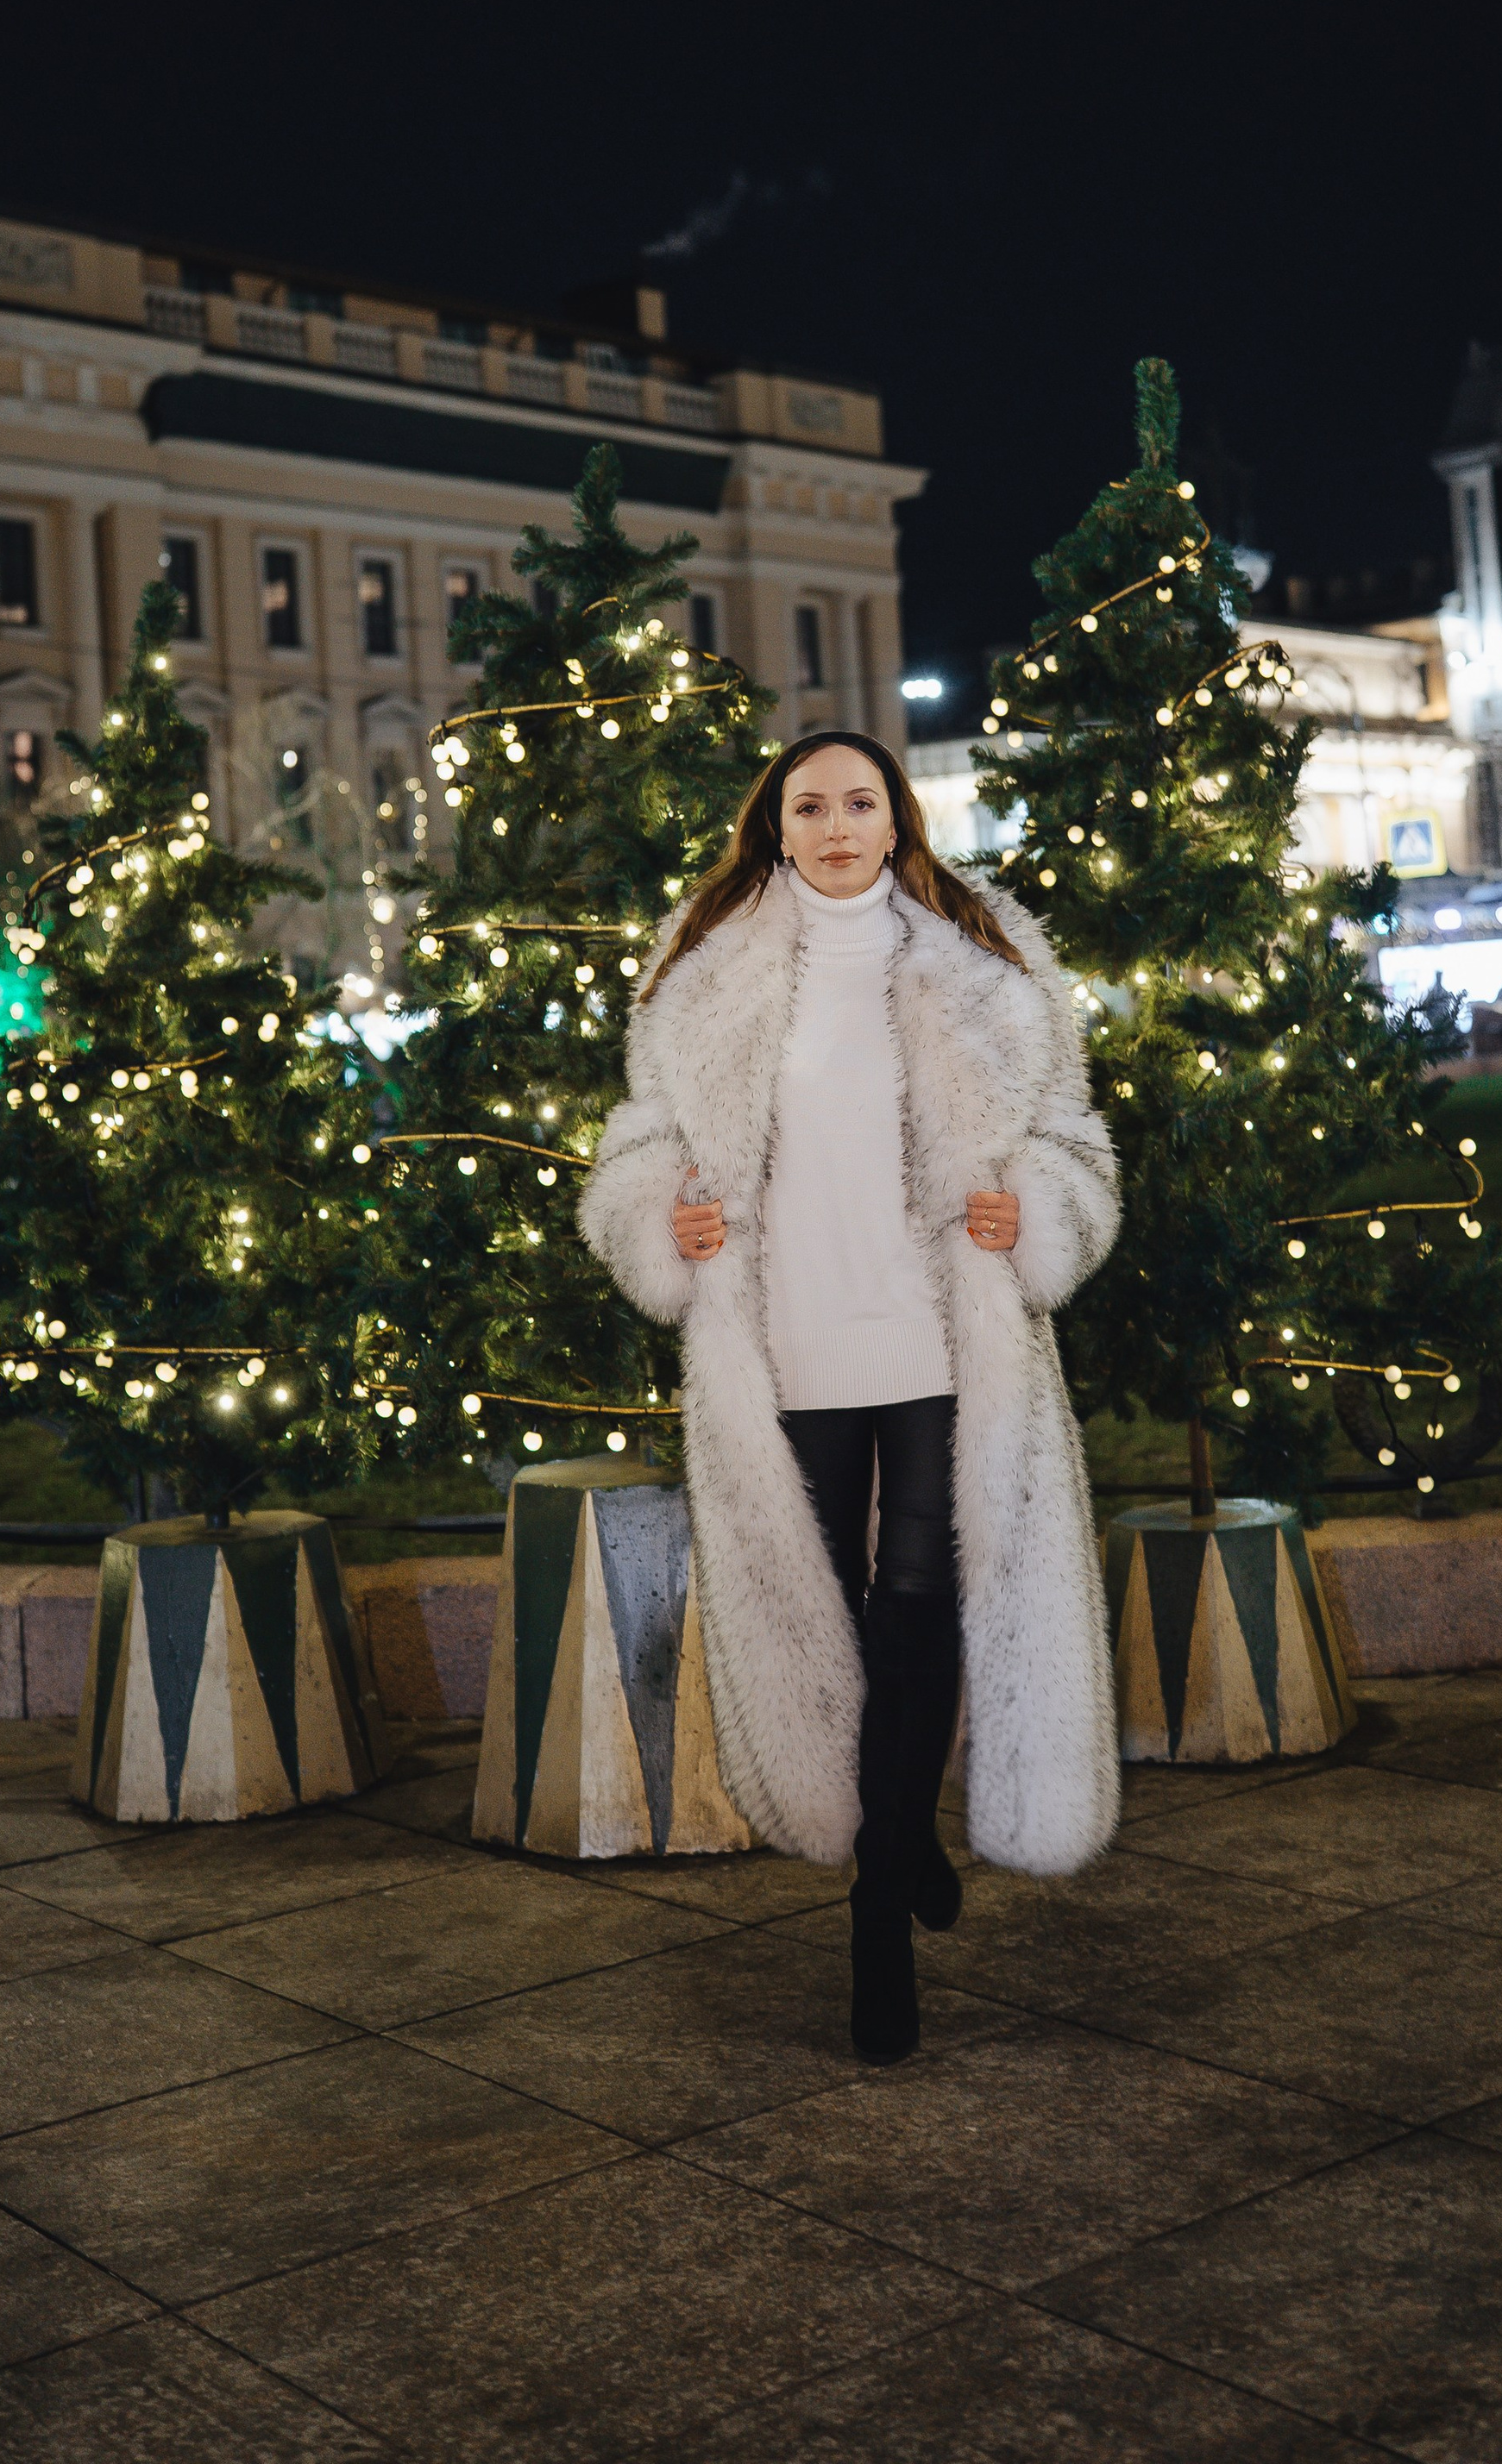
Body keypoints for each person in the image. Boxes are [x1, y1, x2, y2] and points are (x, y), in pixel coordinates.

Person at [581, 730, 1119, 2060]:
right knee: (824, 1609)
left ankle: (881, 1911)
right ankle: (904, 1833)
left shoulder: (986, 960)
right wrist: (664, 1216)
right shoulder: (700, 975)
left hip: (944, 1343)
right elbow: (640, 1144)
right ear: (775, 825)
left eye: (859, 803)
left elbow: (1071, 1143)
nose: (835, 825)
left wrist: (1035, 1208)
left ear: (897, 822)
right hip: (789, 1348)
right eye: (809, 804)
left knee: (920, 1605)